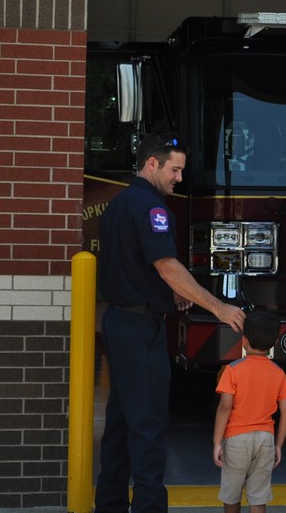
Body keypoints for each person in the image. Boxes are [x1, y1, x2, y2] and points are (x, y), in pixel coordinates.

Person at [95, 131, 247, 513]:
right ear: (152, 164)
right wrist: (218, 308)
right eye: (175, 170)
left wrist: (170, 293)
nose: (179, 178)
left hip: (117, 320)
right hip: (139, 328)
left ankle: (109, 504)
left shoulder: (118, 204)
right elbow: (166, 265)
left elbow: (138, 266)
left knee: (121, 422)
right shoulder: (152, 208)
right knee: (147, 426)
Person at [213, 310, 286, 513]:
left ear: (244, 340)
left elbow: (225, 407)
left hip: (237, 440)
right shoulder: (277, 372)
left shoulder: (232, 370)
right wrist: (279, 445)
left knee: (231, 494)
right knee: (258, 496)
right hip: (265, 439)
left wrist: (216, 442)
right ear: (275, 341)